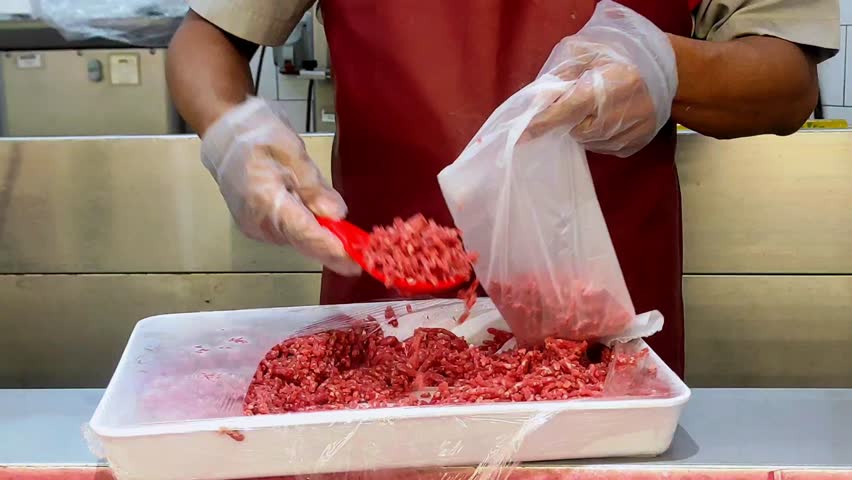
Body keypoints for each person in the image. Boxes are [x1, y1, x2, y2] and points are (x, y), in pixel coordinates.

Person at [166, 0, 840, 377]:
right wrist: (233, 132)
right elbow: (206, 39)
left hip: (608, 331)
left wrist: (667, 68)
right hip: (382, 325)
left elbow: (787, 79)